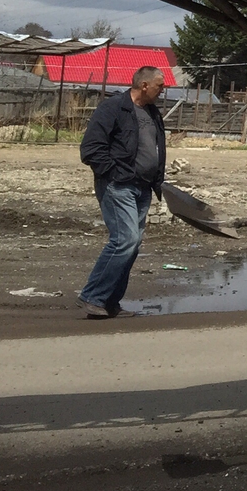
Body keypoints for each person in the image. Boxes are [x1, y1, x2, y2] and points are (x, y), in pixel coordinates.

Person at [77, 65, 167, 318]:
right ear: (145, 85)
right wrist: (114, 174)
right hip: (119, 186)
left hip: (143, 187)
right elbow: (91, 149)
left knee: (133, 244)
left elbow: (154, 149)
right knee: (124, 240)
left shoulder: (152, 113)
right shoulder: (113, 108)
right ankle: (92, 296)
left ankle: (109, 303)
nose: (164, 89)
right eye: (160, 85)